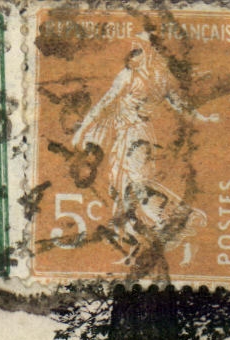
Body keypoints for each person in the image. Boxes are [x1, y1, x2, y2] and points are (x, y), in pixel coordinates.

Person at [69, 42, 219, 256]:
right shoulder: (128, 76)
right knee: (123, 188)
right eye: (131, 53)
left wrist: (203, 118)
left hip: (138, 134)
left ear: (148, 54)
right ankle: (163, 222)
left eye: (138, 52)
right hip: (125, 136)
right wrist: (82, 129)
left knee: (137, 182)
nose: (132, 57)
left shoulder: (161, 78)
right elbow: (105, 102)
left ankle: (169, 219)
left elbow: (179, 105)